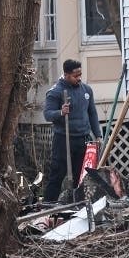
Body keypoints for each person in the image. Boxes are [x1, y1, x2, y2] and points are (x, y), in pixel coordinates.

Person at [42, 59, 102, 203]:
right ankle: (48, 205)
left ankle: (78, 204)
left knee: (81, 175)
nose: (79, 78)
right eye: (76, 76)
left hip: (83, 138)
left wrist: (98, 134)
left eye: (80, 74)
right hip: (63, 139)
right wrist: (60, 113)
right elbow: (47, 114)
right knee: (57, 173)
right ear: (66, 75)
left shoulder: (86, 90)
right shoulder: (55, 92)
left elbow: (92, 113)